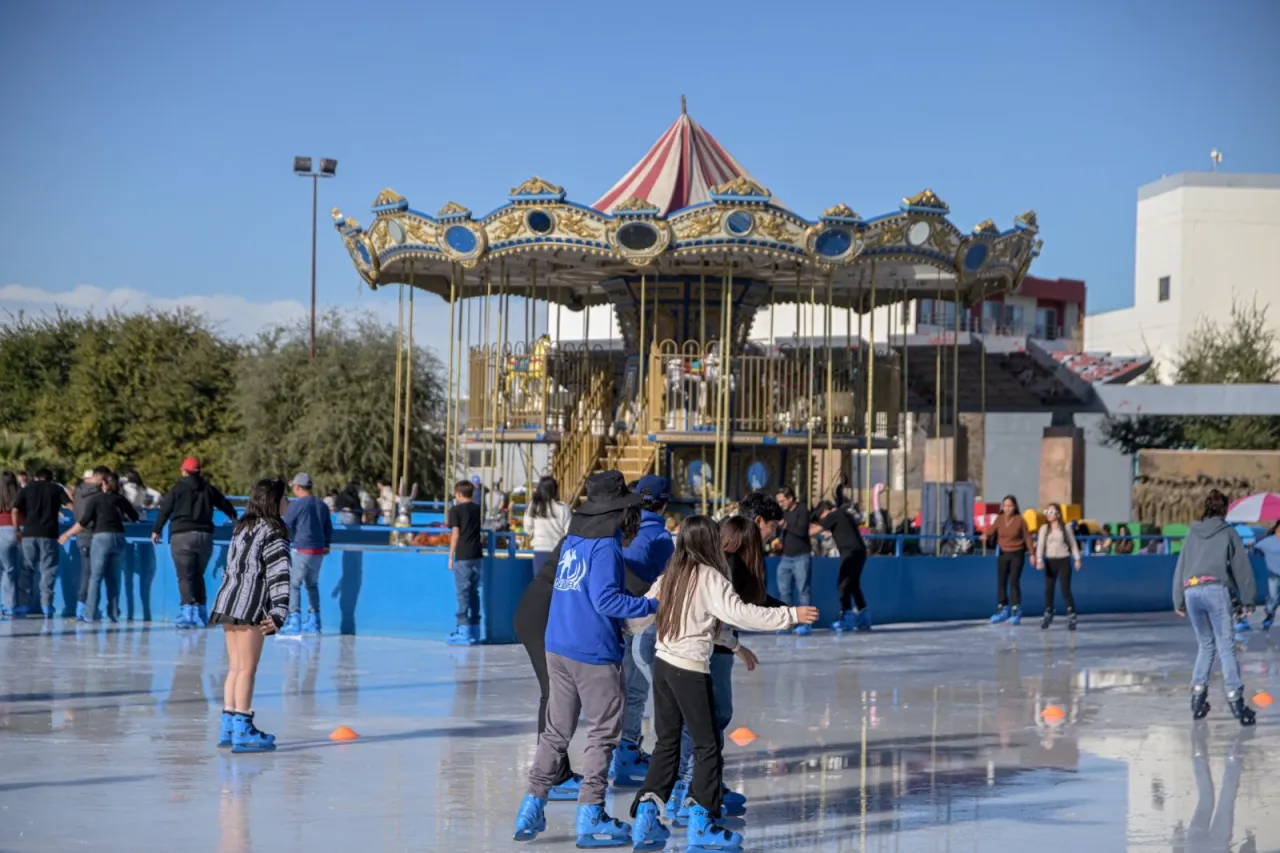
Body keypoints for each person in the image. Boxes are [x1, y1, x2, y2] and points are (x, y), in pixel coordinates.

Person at [624, 515, 818, 850]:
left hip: (664, 666)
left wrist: (735, 647)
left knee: (667, 744)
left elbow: (645, 615)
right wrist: (790, 614)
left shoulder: (671, 574)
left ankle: (645, 817)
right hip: (688, 669)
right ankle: (701, 820)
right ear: (706, 541)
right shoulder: (709, 577)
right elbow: (741, 613)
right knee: (707, 745)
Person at [512, 471, 657, 847]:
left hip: (557, 644)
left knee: (556, 731)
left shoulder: (573, 540)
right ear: (621, 513)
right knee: (602, 734)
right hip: (593, 652)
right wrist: (653, 604)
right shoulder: (606, 548)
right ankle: (591, 814)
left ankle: (531, 804)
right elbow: (607, 599)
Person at [667, 513, 785, 824]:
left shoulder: (716, 564)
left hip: (693, 651)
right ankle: (691, 792)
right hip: (710, 652)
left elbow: (749, 603)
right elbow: (727, 616)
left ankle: (700, 787)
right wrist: (737, 645)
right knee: (709, 722)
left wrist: (783, 609)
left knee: (702, 723)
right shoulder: (724, 567)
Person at [209, 478, 291, 752]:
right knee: (247, 668)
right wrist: (279, 611)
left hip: (227, 602)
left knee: (235, 667)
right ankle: (243, 729)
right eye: (285, 498)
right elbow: (279, 573)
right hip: (250, 604)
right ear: (274, 501)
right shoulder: (273, 531)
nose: (288, 503)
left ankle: (229, 724)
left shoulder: (242, 527)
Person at [613, 473, 676, 786]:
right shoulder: (662, 539)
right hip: (638, 618)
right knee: (636, 689)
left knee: (618, 689)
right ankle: (626, 753)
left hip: (608, 617)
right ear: (664, 505)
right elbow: (671, 582)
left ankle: (619, 750)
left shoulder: (620, 528)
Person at [1174, 489, 1257, 726]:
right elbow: (1242, 567)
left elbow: (1181, 566)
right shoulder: (1228, 532)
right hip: (1215, 591)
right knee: (1226, 646)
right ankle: (1236, 701)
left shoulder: (1192, 533)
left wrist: (1178, 599)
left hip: (1191, 591)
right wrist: (1249, 599)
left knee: (1206, 645)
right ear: (1224, 509)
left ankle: (1198, 698)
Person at [151, 457, 238, 628]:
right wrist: (235, 519)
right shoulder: (208, 489)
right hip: (205, 537)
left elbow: (165, 510)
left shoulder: (178, 489)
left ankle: (187, 613)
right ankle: (202, 613)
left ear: (184, 471)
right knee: (198, 575)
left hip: (182, 536)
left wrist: (157, 530)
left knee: (184, 576)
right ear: (200, 472)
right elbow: (225, 504)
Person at [59, 472, 139, 623]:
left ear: (104, 483)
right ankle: (113, 613)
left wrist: (66, 534)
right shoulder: (120, 499)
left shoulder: (95, 499)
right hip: (119, 538)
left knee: (95, 577)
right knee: (113, 578)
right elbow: (134, 516)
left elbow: (82, 523)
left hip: (101, 538)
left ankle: (89, 614)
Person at [13, 468, 73, 618]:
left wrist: (17, 530)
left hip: (29, 534)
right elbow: (71, 506)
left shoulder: (27, 489)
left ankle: (23, 605)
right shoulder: (56, 489)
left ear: (35, 477)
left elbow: (15, 510)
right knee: (48, 570)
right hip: (49, 534)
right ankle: (47, 605)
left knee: (27, 569)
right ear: (50, 478)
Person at [279, 473, 333, 637]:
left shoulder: (298, 505)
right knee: (312, 585)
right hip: (318, 551)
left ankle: (294, 621)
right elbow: (328, 528)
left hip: (302, 549)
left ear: (297, 487)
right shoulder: (322, 505)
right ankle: (314, 622)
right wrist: (326, 545)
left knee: (293, 584)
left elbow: (285, 524)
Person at [811, 499, 871, 632]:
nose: (822, 520)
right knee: (853, 584)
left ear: (825, 512)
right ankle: (863, 616)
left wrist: (801, 532)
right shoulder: (844, 514)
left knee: (842, 584)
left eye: (820, 517)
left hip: (849, 552)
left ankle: (847, 618)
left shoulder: (833, 515)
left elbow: (817, 529)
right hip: (860, 552)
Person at [447, 479, 484, 646]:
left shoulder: (455, 510)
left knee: (462, 593)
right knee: (474, 592)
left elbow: (455, 534)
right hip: (477, 555)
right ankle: (475, 629)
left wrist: (450, 556)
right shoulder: (477, 509)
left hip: (463, 555)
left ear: (459, 494)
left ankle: (463, 630)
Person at [1034, 503, 1082, 631]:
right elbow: (1040, 545)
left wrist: (1077, 559)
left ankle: (1071, 614)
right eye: (1047, 512)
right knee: (1048, 589)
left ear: (1058, 514)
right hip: (1050, 561)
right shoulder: (1044, 528)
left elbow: (1072, 544)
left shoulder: (1066, 528)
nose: (1048, 515)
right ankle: (1048, 612)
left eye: (1051, 512)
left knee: (1065, 589)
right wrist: (1039, 559)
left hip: (1063, 560)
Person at [985, 495, 1032, 625]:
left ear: (1015, 506)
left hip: (1017, 553)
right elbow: (991, 530)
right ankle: (1002, 608)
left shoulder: (1020, 520)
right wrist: (985, 536)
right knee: (1001, 581)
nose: (1007, 508)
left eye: (1010, 506)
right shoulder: (999, 519)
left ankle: (1016, 609)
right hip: (1003, 553)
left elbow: (1027, 537)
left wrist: (1032, 553)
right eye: (1005, 506)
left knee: (1014, 581)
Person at [775, 486, 813, 635]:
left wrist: (786, 525)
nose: (780, 504)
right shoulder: (783, 513)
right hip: (786, 557)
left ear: (790, 498)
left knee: (803, 590)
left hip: (801, 557)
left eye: (782, 501)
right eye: (778, 501)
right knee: (784, 592)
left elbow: (802, 531)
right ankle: (787, 623)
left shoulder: (802, 511)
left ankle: (806, 623)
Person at [72, 467, 108, 620]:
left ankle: (82, 607)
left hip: (81, 535)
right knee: (92, 574)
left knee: (86, 572)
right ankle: (85, 608)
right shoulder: (99, 494)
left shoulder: (78, 491)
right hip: (94, 534)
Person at [522, 475, 571, 578]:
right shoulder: (563, 508)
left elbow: (527, 529)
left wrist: (533, 534)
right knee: (557, 584)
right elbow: (569, 532)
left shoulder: (533, 505)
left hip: (540, 549)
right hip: (558, 550)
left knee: (540, 584)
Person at [0, 471, 23, 619]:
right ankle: (10, 606)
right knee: (11, 569)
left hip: (1, 529)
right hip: (18, 530)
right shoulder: (20, 493)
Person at [1255, 523, 1280, 631]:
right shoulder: (1268, 542)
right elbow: (1256, 549)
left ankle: (1269, 615)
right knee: (1274, 597)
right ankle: (1269, 614)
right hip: (1273, 575)